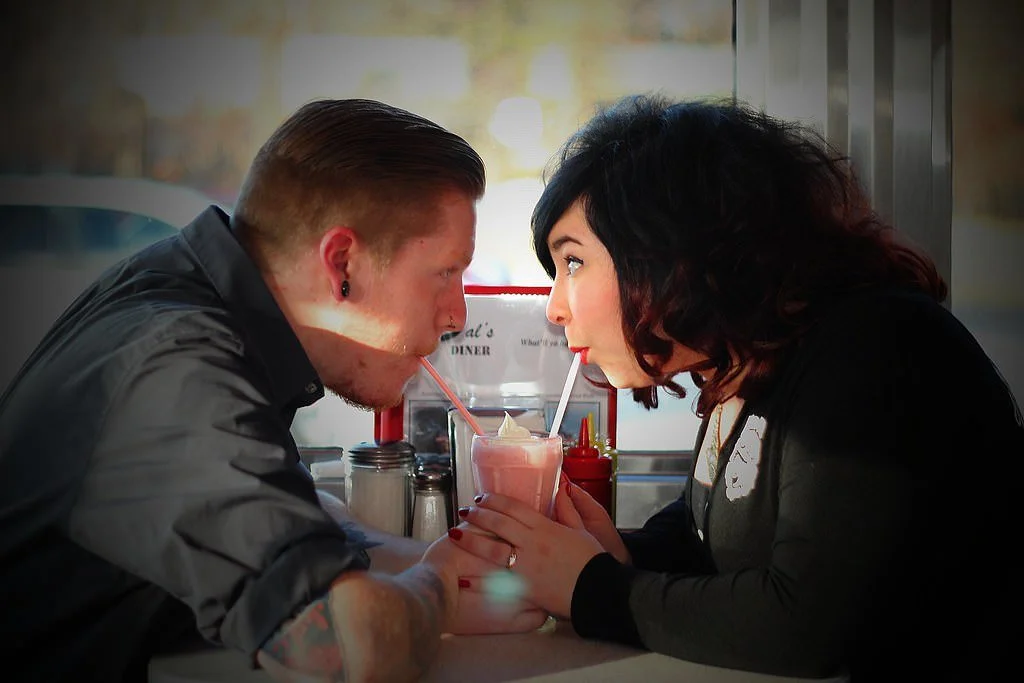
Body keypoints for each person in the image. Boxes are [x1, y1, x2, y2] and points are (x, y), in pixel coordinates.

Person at [449, 94, 1023, 681]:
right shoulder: (746, 362)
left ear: (667, 246)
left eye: (572, 263)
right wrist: (621, 554)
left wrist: (592, 589)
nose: (555, 308)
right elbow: (718, 531)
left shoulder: (877, 348)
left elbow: (807, 626)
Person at [0, 98, 545, 683]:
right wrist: (436, 584)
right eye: (444, 273)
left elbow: (286, 507)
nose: (457, 314)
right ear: (342, 264)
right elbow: (350, 651)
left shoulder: (189, 295)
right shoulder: (180, 372)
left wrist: (429, 561)